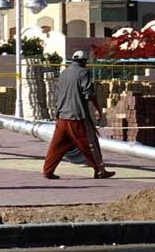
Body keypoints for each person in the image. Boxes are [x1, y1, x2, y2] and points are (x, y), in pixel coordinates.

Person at [42, 50, 115, 180]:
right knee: (90, 144)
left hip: (62, 116)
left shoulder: (63, 73)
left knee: (56, 145)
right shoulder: (83, 72)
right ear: (83, 61)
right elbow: (89, 93)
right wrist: (97, 108)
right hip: (77, 117)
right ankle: (100, 171)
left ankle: (48, 170)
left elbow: (57, 94)